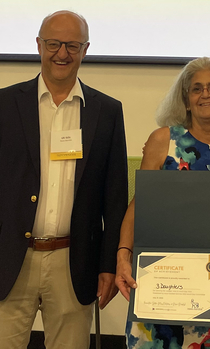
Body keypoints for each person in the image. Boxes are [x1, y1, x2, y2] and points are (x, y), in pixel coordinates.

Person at [0, 10, 128, 349]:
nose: (62, 54)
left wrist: (108, 264)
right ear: (39, 45)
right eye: (54, 44)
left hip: (74, 262)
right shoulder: (4, 104)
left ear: (85, 50)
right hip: (10, 259)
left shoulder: (107, 112)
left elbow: (114, 197)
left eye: (72, 45)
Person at [115, 57, 210, 349]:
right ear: (186, 100)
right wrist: (123, 256)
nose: (206, 94)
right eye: (197, 89)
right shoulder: (163, 140)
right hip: (159, 276)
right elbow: (138, 204)